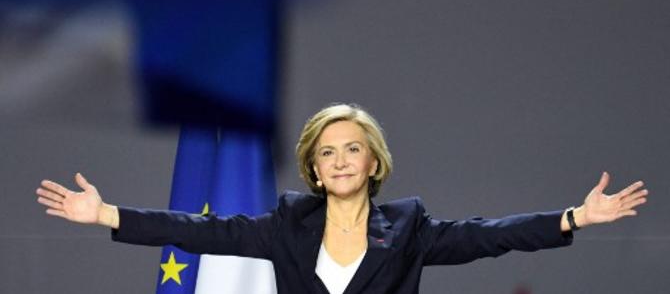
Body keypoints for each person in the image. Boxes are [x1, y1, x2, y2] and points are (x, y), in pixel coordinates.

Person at [36, 103, 649, 294]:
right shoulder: (286, 223)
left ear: (373, 160)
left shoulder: (409, 228)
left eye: (351, 148)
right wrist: (107, 214)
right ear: (314, 168)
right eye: (326, 153)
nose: (339, 160)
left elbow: (488, 235)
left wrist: (575, 217)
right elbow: (205, 232)